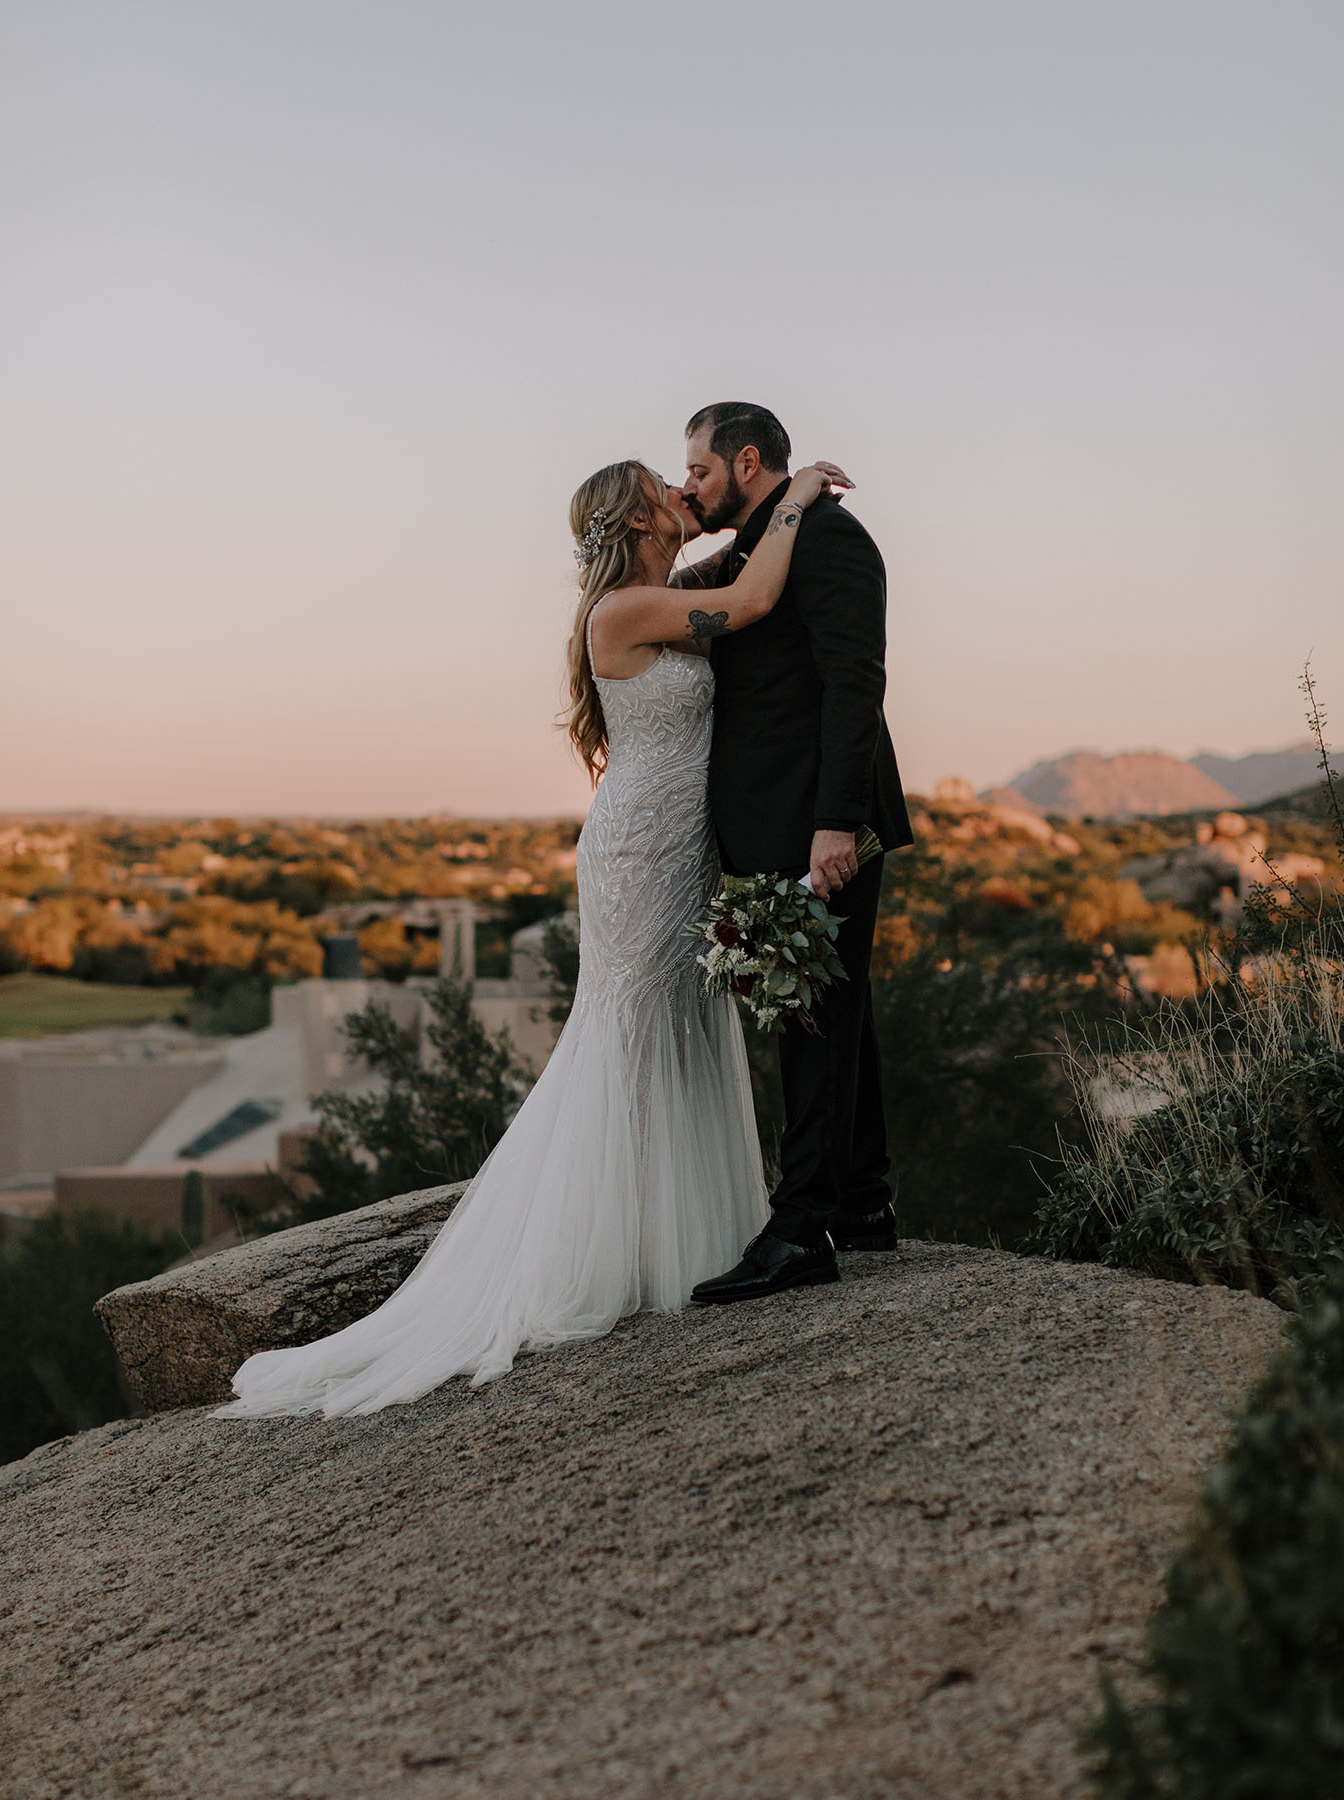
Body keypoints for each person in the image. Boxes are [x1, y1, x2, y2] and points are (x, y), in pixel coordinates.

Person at [215, 454, 849, 1417]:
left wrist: (731, 515)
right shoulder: (621, 615)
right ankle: (589, 1255)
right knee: (627, 1033)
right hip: (638, 853)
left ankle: (667, 1242)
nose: (681, 492)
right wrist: (795, 494)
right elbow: (757, 601)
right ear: (635, 518)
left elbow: (733, 579)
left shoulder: (661, 593)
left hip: (679, 850)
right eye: (663, 487)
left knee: (676, 1026)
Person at [680, 402, 914, 1307]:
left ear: (744, 461)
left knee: (812, 1017)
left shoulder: (831, 542)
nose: (690, 486)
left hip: (820, 823)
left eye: (697, 471)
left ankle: (800, 1230)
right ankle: (861, 1203)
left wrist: (833, 822)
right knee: (836, 1006)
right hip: (781, 822)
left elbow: (857, 682)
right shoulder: (759, 545)